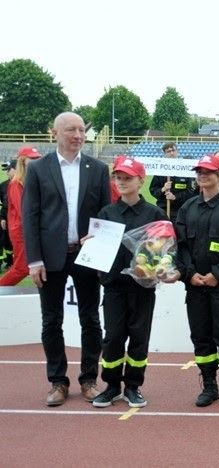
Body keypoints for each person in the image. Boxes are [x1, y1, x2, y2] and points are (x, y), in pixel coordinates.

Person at [22, 112, 111, 406]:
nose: (78, 135)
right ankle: (58, 382)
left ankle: (89, 379)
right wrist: (34, 260)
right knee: (51, 321)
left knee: (90, 319)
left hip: (86, 255)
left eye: (81, 130)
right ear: (55, 133)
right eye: (71, 130)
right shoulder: (38, 169)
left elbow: (105, 215)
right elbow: (30, 216)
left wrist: (99, 244)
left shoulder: (97, 168)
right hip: (49, 257)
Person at [89, 156, 172, 409]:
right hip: (114, 287)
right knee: (113, 337)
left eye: (128, 178)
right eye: (118, 178)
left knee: (139, 337)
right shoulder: (107, 213)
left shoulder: (154, 213)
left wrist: (161, 268)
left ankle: (133, 387)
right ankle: (112, 385)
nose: (122, 182)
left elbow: (163, 252)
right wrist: (90, 247)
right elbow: (98, 250)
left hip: (142, 289)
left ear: (141, 180)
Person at [174, 153, 219, 407]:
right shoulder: (187, 208)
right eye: (200, 172)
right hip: (195, 286)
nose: (203, 176)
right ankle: (209, 385)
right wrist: (189, 273)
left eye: (208, 172)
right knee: (201, 337)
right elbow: (180, 246)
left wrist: (218, 275)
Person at [0, 146, 42, 286]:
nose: (37, 160)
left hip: (27, 230)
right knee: (21, 268)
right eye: (33, 158)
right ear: (23, 161)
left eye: (37, 158)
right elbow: (23, 210)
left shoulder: (28, 181)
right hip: (21, 231)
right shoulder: (16, 184)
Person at [149, 142, 197, 219]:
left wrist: (175, 197)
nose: (171, 153)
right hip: (163, 209)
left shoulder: (185, 170)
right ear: (164, 154)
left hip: (181, 209)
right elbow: (152, 190)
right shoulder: (160, 171)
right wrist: (163, 189)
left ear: (177, 152)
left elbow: (190, 191)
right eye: (168, 151)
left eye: (173, 150)